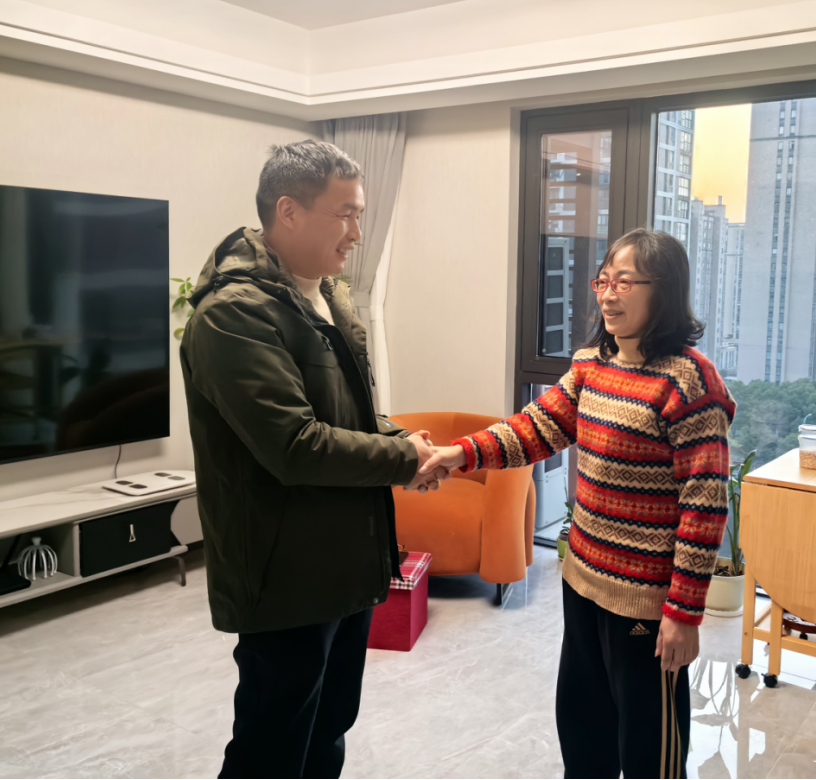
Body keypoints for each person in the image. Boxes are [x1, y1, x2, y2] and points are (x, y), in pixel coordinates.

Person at [423, 228, 736, 779]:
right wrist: (457, 454)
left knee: (651, 752)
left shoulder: (689, 382)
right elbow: (535, 428)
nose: (608, 295)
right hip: (584, 583)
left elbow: (704, 505)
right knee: (584, 732)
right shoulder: (593, 364)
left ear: (663, 290)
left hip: (645, 604)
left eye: (625, 282)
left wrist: (683, 614)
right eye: (603, 281)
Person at [180, 140, 449, 779]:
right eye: (345, 214)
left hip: (346, 564)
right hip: (285, 576)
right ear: (289, 211)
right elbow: (295, 445)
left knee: (329, 727)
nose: (357, 232)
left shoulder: (328, 296)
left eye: (360, 215)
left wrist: (406, 445)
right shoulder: (233, 315)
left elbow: (347, 414)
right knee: (271, 747)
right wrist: (401, 459)